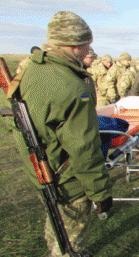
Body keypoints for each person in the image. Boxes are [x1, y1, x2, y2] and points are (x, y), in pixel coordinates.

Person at [10, 11, 113, 256]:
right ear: (76, 45)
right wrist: (100, 192)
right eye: (87, 44)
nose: (90, 49)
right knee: (71, 230)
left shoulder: (31, 69)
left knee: (55, 214)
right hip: (66, 175)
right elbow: (84, 148)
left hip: (39, 166)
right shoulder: (72, 85)